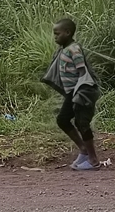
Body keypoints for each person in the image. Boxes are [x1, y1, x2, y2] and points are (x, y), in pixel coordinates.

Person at [41, 18, 101, 171]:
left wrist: (78, 94)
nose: (55, 37)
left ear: (67, 33)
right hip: (71, 93)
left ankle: (93, 161)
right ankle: (84, 150)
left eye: (57, 34)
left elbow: (82, 72)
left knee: (82, 123)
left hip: (80, 92)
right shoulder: (65, 49)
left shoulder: (74, 49)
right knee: (63, 120)